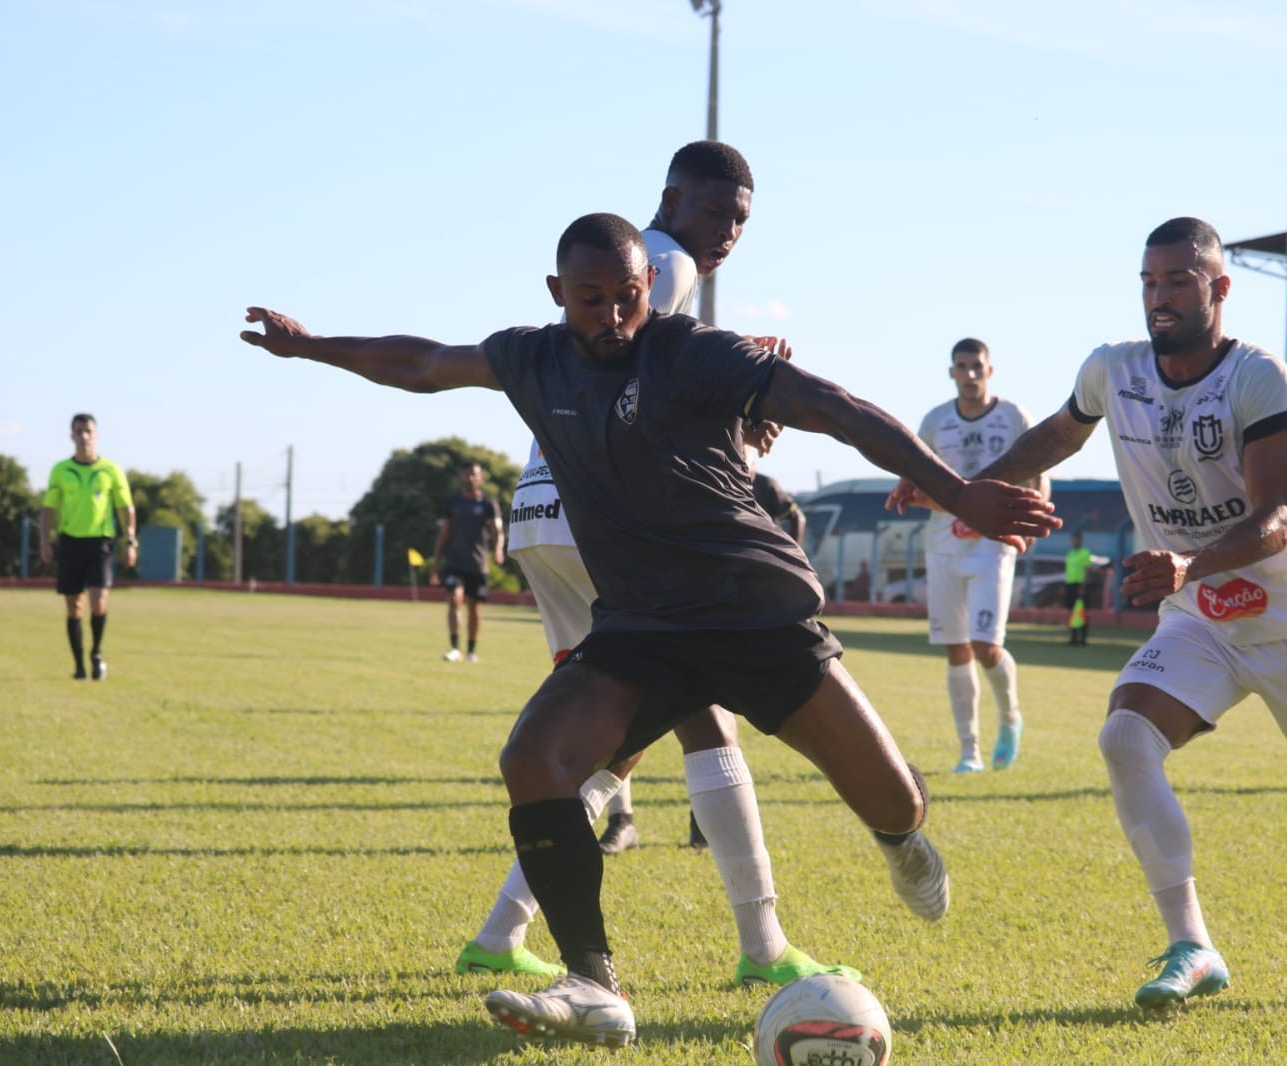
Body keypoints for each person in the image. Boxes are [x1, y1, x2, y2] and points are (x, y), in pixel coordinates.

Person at [240, 210, 1060, 1046]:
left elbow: (831, 406)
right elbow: (417, 363)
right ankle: (592, 983)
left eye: (627, 297)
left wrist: (955, 491)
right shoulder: (532, 357)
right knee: (534, 758)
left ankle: (903, 834)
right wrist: (308, 348)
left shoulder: (692, 350)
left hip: (754, 614)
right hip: (641, 628)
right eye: (590, 299)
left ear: (648, 291)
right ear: (557, 294)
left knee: (891, 800)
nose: (611, 316)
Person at [950, 215, 1287, 1010]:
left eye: (1177, 279)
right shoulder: (1112, 369)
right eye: (1148, 281)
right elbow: (1054, 439)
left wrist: (1184, 561)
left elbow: (1278, 519)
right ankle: (1192, 943)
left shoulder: (1257, 378)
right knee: (1123, 737)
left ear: (1217, 287)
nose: (1159, 296)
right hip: (1199, 618)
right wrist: (958, 489)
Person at [473, 144, 844, 992]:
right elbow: (646, 401)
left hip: (542, 514)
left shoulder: (626, 274)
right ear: (671, 200)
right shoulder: (662, 267)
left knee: (620, 736)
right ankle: (762, 948)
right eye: (715, 212)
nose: (726, 233)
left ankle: (502, 931)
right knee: (703, 713)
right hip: (605, 520)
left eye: (740, 220)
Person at [888, 338, 1034, 774]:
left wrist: (1026, 522)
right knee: (956, 649)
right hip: (944, 542)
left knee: (986, 645)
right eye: (962, 367)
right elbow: (914, 472)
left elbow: (1036, 476)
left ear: (990, 371)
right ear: (951, 372)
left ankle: (1010, 717)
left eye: (977, 366)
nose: (969, 374)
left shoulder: (1013, 417)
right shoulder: (935, 421)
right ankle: (968, 750)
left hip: (994, 542)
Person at [38, 413, 137, 680]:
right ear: (71, 436)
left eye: (88, 431)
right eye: (79, 431)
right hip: (70, 542)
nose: (83, 436)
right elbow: (48, 508)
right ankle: (79, 665)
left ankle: (96, 652)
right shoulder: (60, 470)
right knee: (74, 606)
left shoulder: (110, 470)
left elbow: (125, 507)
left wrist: (130, 541)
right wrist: (45, 540)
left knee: (98, 598)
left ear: (96, 435)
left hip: (100, 543)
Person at [432, 460, 504, 662]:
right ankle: (455, 648)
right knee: (454, 599)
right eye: (466, 474)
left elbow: (498, 531)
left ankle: (471, 651)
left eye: (474, 474)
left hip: (478, 566)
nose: (470, 478)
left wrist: (499, 550)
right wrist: (435, 565)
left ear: (480, 478)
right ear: (460, 477)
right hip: (455, 562)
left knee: (474, 608)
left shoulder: (488, 504)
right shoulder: (453, 503)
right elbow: (443, 534)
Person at [1064, 530, 1093, 645]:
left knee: (1082, 613)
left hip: (1080, 586)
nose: (1074, 541)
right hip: (1070, 585)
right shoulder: (1070, 553)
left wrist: (1083, 587)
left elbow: (1087, 571)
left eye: (1077, 539)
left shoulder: (1085, 553)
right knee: (1072, 613)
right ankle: (1073, 638)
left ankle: (1083, 639)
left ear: (1080, 540)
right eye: (1073, 539)